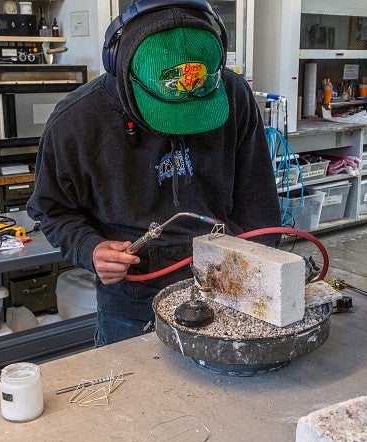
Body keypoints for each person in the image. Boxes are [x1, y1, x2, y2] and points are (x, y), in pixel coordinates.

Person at [27, 0, 281, 347]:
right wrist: (91, 248)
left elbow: (258, 204)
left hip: (226, 283)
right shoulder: (77, 121)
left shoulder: (233, 95)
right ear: (121, 68)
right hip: (133, 298)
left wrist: (259, 278)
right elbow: (50, 209)